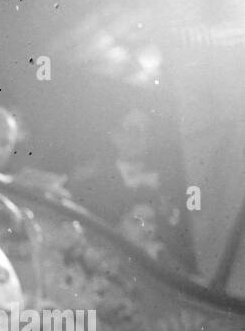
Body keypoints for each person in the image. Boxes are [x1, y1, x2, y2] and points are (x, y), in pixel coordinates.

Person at [67, 108, 187, 263]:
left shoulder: (167, 185)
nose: (139, 138)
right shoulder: (88, 177)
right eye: (132, 130)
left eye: (146, 133)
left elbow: (178, 237)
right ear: (115, 136)